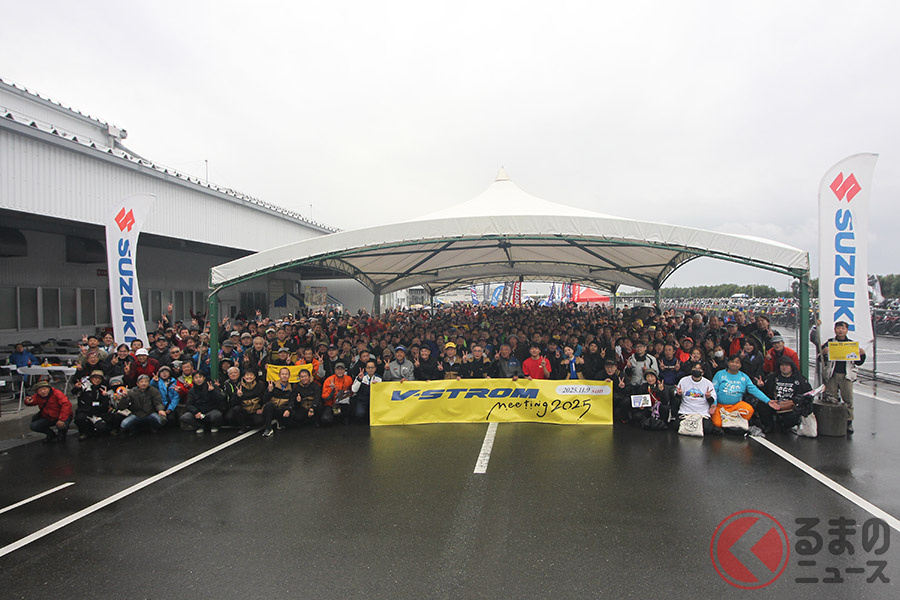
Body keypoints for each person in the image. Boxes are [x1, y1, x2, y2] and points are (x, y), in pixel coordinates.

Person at [821, 320, 867, 434]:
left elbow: (858, 362)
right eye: (838, 328)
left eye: (843, 328)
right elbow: (820, 359)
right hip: (832, 374)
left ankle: (848, 421)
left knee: (848, 399)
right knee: (831, 399)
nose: (840, 330)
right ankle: (833, 421)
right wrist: (823, 353)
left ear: (846, 330)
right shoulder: (830, 343)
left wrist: (862, 355)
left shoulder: (851, 344)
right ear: (834, 330)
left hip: (846, 375)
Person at [711, 355, 769, 430]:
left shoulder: (744, 377)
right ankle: (730, 422)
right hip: (720, 406)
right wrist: (714, 404)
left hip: (736, 406)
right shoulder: (719, 374)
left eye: (737, 362)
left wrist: (768, 401)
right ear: (728, 363)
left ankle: (730, 420)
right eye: (732, 362)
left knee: (749, 410)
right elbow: (713, 390)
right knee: (717, 424)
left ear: (740, 365)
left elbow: (754, 390)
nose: (734, 364)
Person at [758, 356, 813, 434]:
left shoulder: (800, 380)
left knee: (794, 414)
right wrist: (761, 386)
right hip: (775, 403)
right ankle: (769, 425)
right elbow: (765, 392)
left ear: (791, 367)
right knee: (762, 405)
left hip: (791, 406)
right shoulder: (772, 378)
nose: (784, 367)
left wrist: (797, 401)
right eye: (782, 365)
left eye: (787, 365)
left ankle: (786, 426)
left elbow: (808, 394)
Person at [673, 364, 720, 435]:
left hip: (702, 413)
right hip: (685, 412)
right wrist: (678, 394)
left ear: (703, 372)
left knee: (707, 429)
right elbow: (676, 397)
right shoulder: (683, 380)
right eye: (695, 368)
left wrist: (708, 397)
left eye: (699, 369)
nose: (696, 370)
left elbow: (712, 400)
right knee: (676, 426)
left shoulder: (708, 383)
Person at [73, 370, 114, 440]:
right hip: (85, 412)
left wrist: (105, 397)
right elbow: (74, 392)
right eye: (95, 378)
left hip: (97, 414)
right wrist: (76, 388)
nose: (97, 380)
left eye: (99, 378)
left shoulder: (103, 389)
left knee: (103, 428)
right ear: (91, 378)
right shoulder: (85, 386)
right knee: (80, 418)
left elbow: (105, 407)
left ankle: (95, 431)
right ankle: (84, 433)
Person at [262, 367, 295, 437]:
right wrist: (269, 391)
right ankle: (268, 428)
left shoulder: (292, 387)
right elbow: (264, 400)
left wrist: (288, 410)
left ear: (289, 376)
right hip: (272, 409)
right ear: (279, 375)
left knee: (293, 422)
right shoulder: (273, 385)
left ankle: (280, 422)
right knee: (268, 405)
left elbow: (292, 401)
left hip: (283, 410)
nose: (284, 376)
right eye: (282, 374)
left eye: (286, 374)